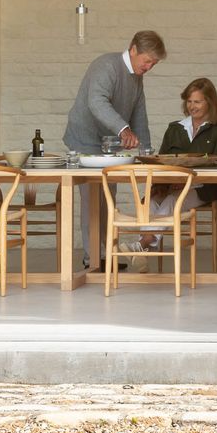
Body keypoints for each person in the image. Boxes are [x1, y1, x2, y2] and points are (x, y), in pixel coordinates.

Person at [65, 30, 165, 271]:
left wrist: (146, 150)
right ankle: (93, 258)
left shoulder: (136, 78)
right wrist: (123, 130)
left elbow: (139, 113)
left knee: (107, 199)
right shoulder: (106, 66)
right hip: (85, 140)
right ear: (133, 50)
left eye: (154, 63)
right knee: (92, 199)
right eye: (147, 60)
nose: (149, 66)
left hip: (109, 144)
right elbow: (96, 101)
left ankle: (105, 252)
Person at [139, 78, 217, 259]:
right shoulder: (174, 129)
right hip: (171, 186)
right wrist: (160, 185)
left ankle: (144, 242)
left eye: (197, 101)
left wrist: (186, 185)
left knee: (174, 200)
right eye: (189, 101)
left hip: (203, 190)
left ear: (209, 103)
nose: (192, 106)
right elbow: (161, 163)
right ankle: (144, 252)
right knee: (149, 201)